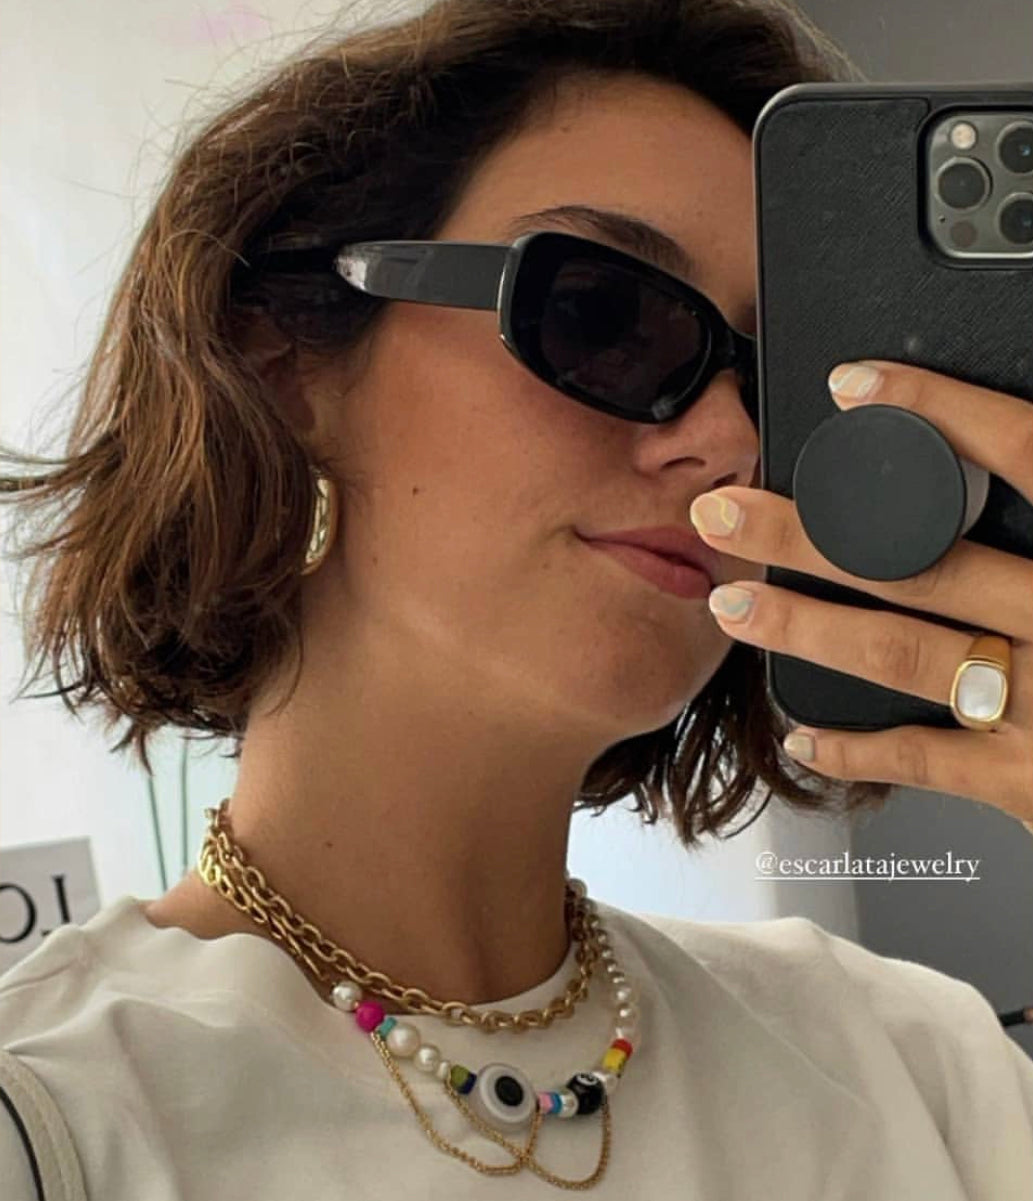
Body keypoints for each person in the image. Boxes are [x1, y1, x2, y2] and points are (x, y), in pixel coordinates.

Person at [1, 0, 1031, 1197]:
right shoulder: (61, 1116)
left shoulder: (910, 1064)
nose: (730, 443)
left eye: (770, 382)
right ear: (286, 361)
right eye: (606, 315)